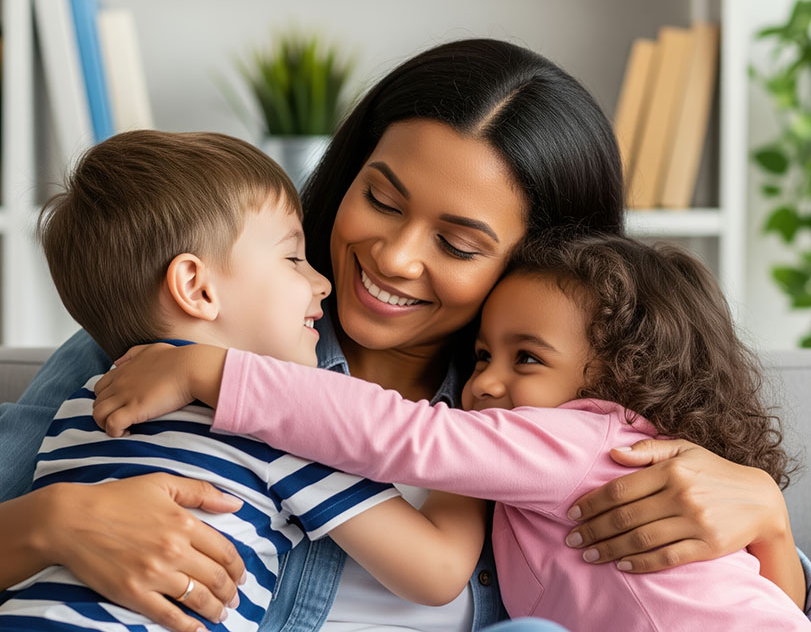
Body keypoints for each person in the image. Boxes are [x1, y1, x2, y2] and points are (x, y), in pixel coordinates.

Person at [0, 38, 808, 632]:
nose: (392, 255)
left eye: (457, 243)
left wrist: (769, 522)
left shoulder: (547, 411)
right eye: (381, 198)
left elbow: (718, 606)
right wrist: (51, 523)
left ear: (540, 262)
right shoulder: (175, 343)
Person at [93, 234, 811, 631]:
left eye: (526, 357)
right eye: (481, 356)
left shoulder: (582, 439)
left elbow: (404, 436)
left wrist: (213, 374)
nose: (484, 384)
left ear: (620, 378)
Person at [0, 130, 498, 631]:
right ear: (197, 288)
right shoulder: (278, 418)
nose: (320, 281)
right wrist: (481, 444)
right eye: (293, 258)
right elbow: (436, 572)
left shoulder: (85, 400)